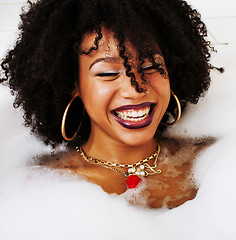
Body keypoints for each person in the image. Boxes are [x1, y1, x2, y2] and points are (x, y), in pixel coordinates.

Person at [0, 0, 221, 209]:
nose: (135, 90)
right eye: (108, 73)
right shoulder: (45, 189)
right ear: (72, 84)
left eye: (150, 66)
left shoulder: (213, 162)